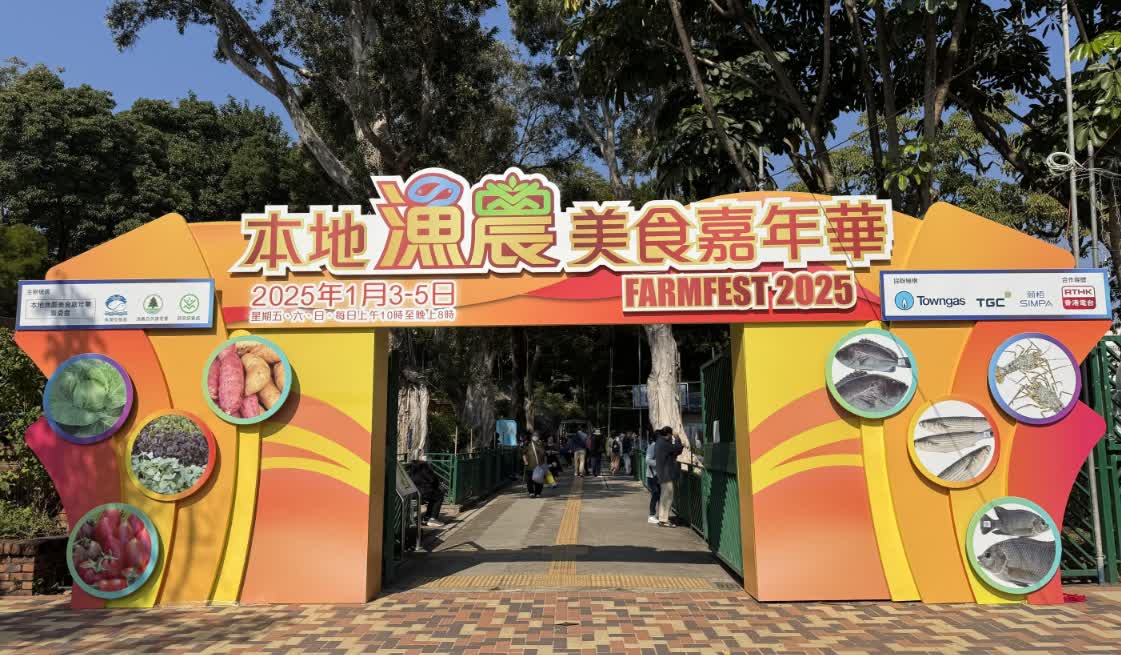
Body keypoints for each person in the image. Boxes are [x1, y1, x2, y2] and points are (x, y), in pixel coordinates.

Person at [653, 426, 684, 527]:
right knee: (668, 497)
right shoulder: (664, 443)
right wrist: (677, 438)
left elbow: (674, 452)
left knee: (664, 497)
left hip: (662, 474)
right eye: (671, 435)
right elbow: (678, 449)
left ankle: (662, 518)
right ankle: (664, 520)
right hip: (666, 475)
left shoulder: (659, 442)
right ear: (669, 434)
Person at [405, 459, 447, 527]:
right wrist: (436, 486)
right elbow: (433, 479)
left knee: (434, 497)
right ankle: (432, 519)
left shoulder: (411, 469)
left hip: (413, 492)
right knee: (439, 496)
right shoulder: (424, 467)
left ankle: (427, 518)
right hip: (425, 491)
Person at [521, 433, 547, 497]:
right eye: (534, 436)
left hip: (540, 464)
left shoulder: (541, 444)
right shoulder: (528, 444)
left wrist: (545, 463)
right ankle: (531, 492)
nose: (535, 437)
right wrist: (525, 461)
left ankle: (538, 492)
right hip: (530, 465)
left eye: (537, 436)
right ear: (531, 437)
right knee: (529, 480)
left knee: (539, 479)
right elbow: (524, 454)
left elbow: (544, 455)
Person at [645, 437, 660, 524]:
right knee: (655, 494)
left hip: (658, 475)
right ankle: (651, 515)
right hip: (652, 475)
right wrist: (659, 463)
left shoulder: (658, 446)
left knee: (658, 495)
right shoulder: (652, 446)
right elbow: (648, 460)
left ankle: (659, 515)